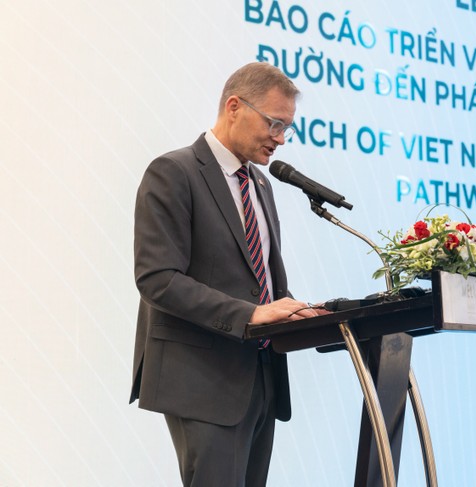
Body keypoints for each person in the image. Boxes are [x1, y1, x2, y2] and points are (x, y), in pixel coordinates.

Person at [130, 62, 325, 486]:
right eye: (274, 123)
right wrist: (250, 315)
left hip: (261, 377)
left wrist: (299, 313)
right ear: (234, 107)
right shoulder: (174, 172)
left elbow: (261, 283)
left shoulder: (261, 184)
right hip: (202, 379)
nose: (281, 138)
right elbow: (157, 278)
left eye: (287, 128)